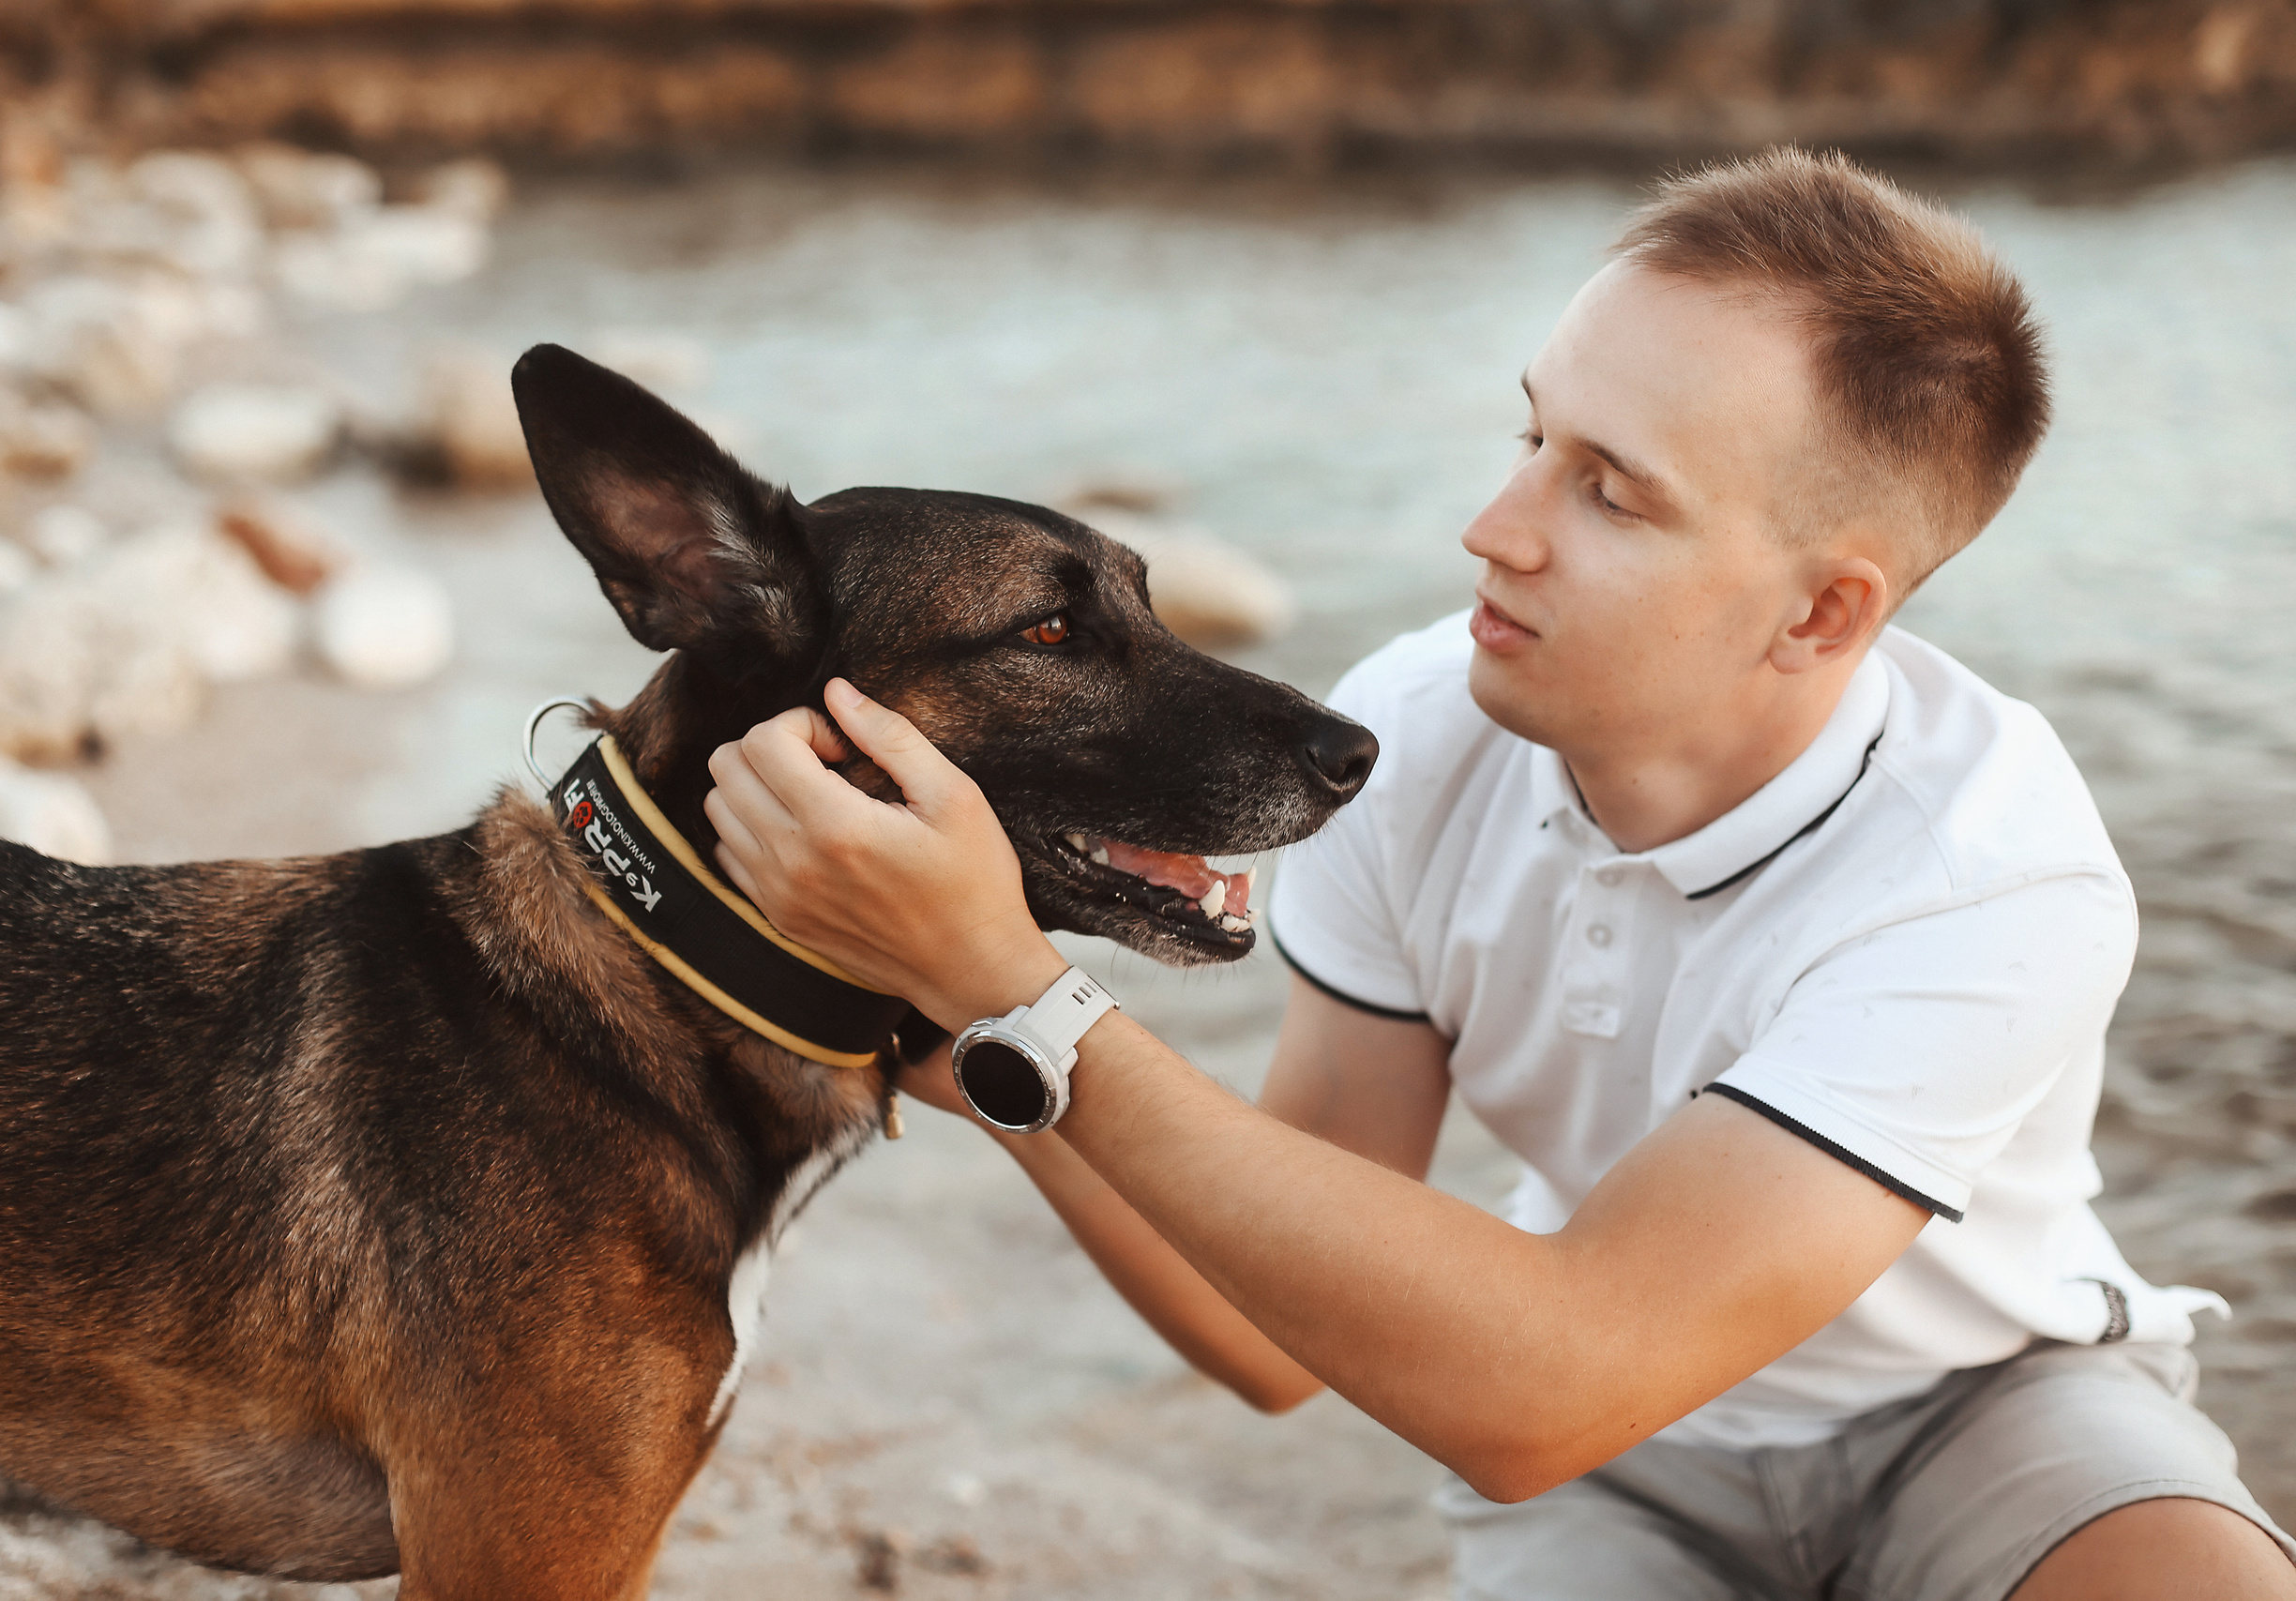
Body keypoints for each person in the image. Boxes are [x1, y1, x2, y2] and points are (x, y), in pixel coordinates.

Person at [700, 148, 2296, 1599]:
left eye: (1610, 490)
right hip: (1623, 1489)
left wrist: (1017, 993)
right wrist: (942, 996)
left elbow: (1543, 1390)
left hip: (1978, 1412)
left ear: (1820, 614)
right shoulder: (1418, 730)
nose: (1493, 527)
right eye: (1532, 433)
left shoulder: (1989, 877)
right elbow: (1271, 1340)